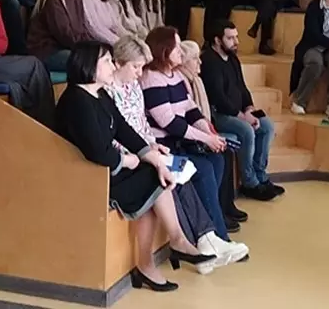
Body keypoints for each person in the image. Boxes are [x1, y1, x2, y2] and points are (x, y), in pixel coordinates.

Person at [54, 41, 214, 292]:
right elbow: (97, 151)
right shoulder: (76, 100)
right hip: (91, 176)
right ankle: (170, 245)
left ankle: (160, 253)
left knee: (155, 176)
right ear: (89, 65)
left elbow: (124, 130)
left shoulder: (99, 94)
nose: (112, 65)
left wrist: (152, 157)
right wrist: (129, 160)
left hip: (107, 170)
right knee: (152, 180)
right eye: (107, 61)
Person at [105, 36, 249, 270]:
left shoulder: (134, 86)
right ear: (118, 63)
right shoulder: (109, 91)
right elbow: (117, 134)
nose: (140, 73)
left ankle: (206, 239)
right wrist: (147, 151)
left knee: (182, 170)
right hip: (130, 157)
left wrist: (152, 144)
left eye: (141, 67)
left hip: (148, 148)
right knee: (174, 175)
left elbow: (142, 125)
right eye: (136, 67)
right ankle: (199, 241)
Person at [141, 27, 232, 245]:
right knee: (204, 168)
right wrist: (205, 138)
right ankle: (218, 236)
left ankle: (210, 225)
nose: (180, 51)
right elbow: (170, 123)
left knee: (218, 159)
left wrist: (209, 133)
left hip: (179, 142)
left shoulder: (176, 76)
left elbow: (191, 110)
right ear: (163, 50)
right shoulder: (151, 78)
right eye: (176, 47)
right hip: (163, 147)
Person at [201, 21, 283, 201]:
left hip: (238, 112)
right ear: (217, 40)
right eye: (230, 38)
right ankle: (249, 183)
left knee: (267, 126)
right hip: (218, 115)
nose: (236, 42)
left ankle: (261, 176)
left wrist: (249, 109)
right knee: (246, 130)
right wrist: (242, 117)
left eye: (236, 37)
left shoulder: (232, 59)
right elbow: (218, 97)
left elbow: (242, 88)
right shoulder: (209, 61)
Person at [179, 40, 248, 233]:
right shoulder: (180, 81)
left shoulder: (195, 80)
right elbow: (181, 121)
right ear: (183, 61)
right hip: (185, 140)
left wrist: (211, 135)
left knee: (225, 149)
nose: (199, 63)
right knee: (218, 154)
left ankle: (224, 207)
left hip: (201, 132)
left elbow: (199, 115)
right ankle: (216, 216)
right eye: (195, 59)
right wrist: (208, 137)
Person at [27, 0, 92, 75]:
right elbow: (65, 35)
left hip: (68, 48)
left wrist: (96, 48)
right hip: (47, 52)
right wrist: (88, 51)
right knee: (88, 63)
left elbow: (83, 30)